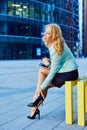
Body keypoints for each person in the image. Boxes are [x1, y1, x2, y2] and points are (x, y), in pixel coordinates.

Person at [27, 23, 79, 119]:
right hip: (70, 72)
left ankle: (35, 105)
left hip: (68, 74)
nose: (44, 35)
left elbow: (53, 71)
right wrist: (47, 62)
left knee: (42, 80)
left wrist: (41, 87)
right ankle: (34, 107)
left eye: (48, 33)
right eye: (45, 33)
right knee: (42, 73)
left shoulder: (55, 48)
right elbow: (57, 63)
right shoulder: (58, 44)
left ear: (54, 35)